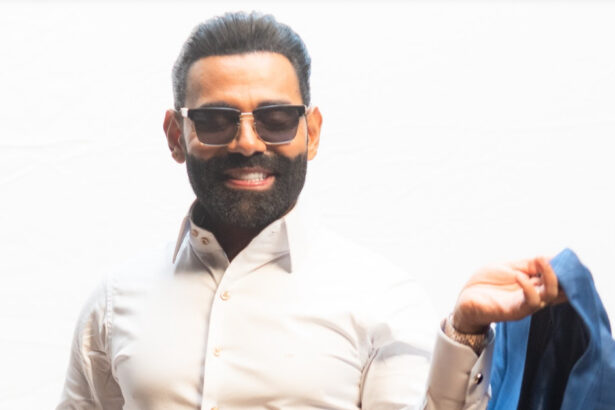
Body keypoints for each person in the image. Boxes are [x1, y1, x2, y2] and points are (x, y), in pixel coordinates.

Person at [57, 11, 562, 409]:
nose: (247, 142)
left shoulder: (382, 299)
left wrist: (464, 332)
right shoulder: (115, 302)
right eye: (215, 120)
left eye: (276, 118)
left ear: (312, 133)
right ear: (176, 136)